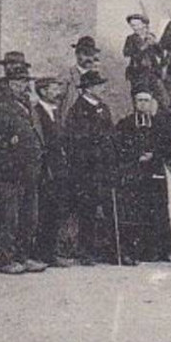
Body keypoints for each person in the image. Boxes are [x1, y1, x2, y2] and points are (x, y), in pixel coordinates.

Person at [0, 61, 48, 274]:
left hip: (31, 168)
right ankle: (7, 259)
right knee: (9, 216)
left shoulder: (29, 104)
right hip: (11, 170)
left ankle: (24, 255)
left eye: (24, 82)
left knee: (29, 215)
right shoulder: (1, 106)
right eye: (17, 82)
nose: (22, 85)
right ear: (9, 83)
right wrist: (5, 160)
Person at [63, 68, 116, 263]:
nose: (102, 88)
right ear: (88, 88)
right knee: (87, 210)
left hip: (104, 167)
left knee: (106, 208)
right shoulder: (78, 110)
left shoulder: (104, 107)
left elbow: (110, 134)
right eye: (98, 85)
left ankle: (106, 249)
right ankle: (85, 251)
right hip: (87, 169)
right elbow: (76, 140)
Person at [114, 91, 168, 264]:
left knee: (155, 211)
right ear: (134, 103)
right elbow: (118, 146)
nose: (143, 104)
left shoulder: (159, 124)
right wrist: (136, 156)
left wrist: (154, 155)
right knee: (133, 212)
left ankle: (153, 251)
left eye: (146, 101)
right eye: (140, 101)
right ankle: (132, 251)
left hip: (154, 173)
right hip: (134, 173)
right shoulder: (125, 124)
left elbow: (167, 146)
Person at [33, 75, 69, 267]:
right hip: (45, 169)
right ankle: (41, 253)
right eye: (54, 88)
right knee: (44, 210)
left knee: (55, 209)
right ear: (43, 91)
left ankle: (51, 252)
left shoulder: (56, 112)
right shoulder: (36, 112)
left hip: (58, 168)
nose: (58, 92)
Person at [122, 13, 166, 106]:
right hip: (138, 74)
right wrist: (145, 45)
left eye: (137, 25)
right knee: (140, 99)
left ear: (144, 25)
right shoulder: (130, 39)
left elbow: (161, 54)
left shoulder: (150, 36)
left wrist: (155, 44)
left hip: (153, 73)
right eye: (132, 25)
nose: (135, 27)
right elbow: (127, 54)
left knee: (159, 99)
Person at [62, 38, 102, 115]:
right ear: (77, 54)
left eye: (91, 54)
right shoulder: (66, 76)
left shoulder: (98, 79)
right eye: (85, 54)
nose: (89, 58)